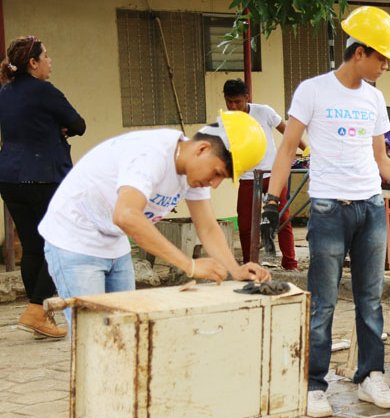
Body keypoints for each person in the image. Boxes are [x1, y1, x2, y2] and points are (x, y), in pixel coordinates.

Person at [262, 6, 390, 418]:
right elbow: (288, 147)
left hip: (370, 208)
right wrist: (272, 203)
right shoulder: (312, 90)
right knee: (324, 301)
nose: (385, 65)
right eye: (381, 57)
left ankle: (370, 376)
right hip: (329, 209)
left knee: (371, 299)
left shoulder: (375, 98)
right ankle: (313, 385)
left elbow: (381, 159)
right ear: (359, 52)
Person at [38, 110, 272, 319]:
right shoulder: (151, 155)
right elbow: (127, 215)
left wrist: (235, 269)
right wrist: (189, 265)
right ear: (203, 149)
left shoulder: (194, 171)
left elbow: (208, 226)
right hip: (75, 239)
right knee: (92, 338)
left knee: (125, 329)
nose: (215, 184)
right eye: (218, 173)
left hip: (114, 241)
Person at [0, 36, 85, 339]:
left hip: (10, 178)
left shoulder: (4, 92)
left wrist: (50, 126)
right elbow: (79, 124)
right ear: (33, 63)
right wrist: (59, 126)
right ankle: (37, 310)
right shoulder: (45, 91)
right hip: (45, 177)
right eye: (45, 56)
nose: (50, 61)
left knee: (34, 246)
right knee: (61, 244)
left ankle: (37, 315)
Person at [223, 78, 306, 270]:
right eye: (229, 102)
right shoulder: (226, 122)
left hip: (272, 174)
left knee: (282, 218)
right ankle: (249, 264)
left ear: (246, 97)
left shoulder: (264, 111)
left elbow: (288, 132)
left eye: (237, 101)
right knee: (245, 225)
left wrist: (308, 149)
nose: (233, 106)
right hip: (247, 178)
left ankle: (290, 263)